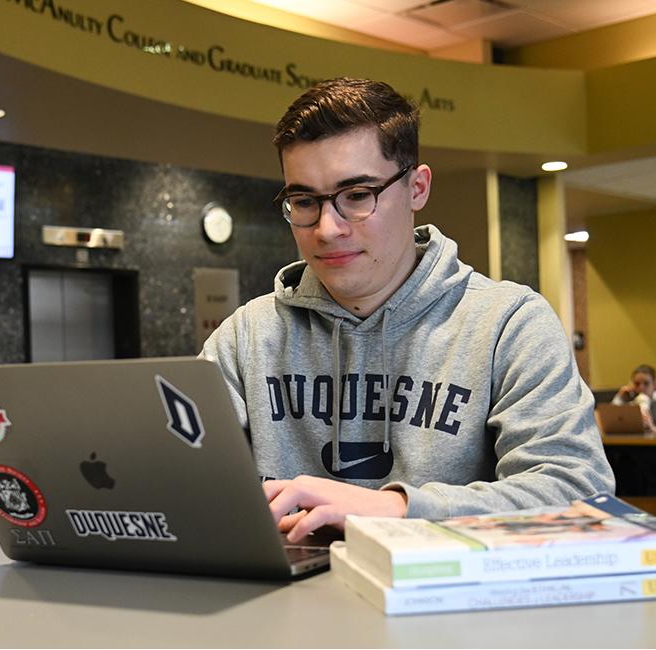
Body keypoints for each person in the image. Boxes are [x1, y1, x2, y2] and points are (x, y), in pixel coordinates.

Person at [200, 77, 614, 542]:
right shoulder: (246, 336)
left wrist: (397, 507)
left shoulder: (509, 325)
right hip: (284, 603)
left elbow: (578, 492)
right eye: (303, 201)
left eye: (357, 196)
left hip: (444, 605)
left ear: (417, 188)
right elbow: (181, 480)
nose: (327, 228)